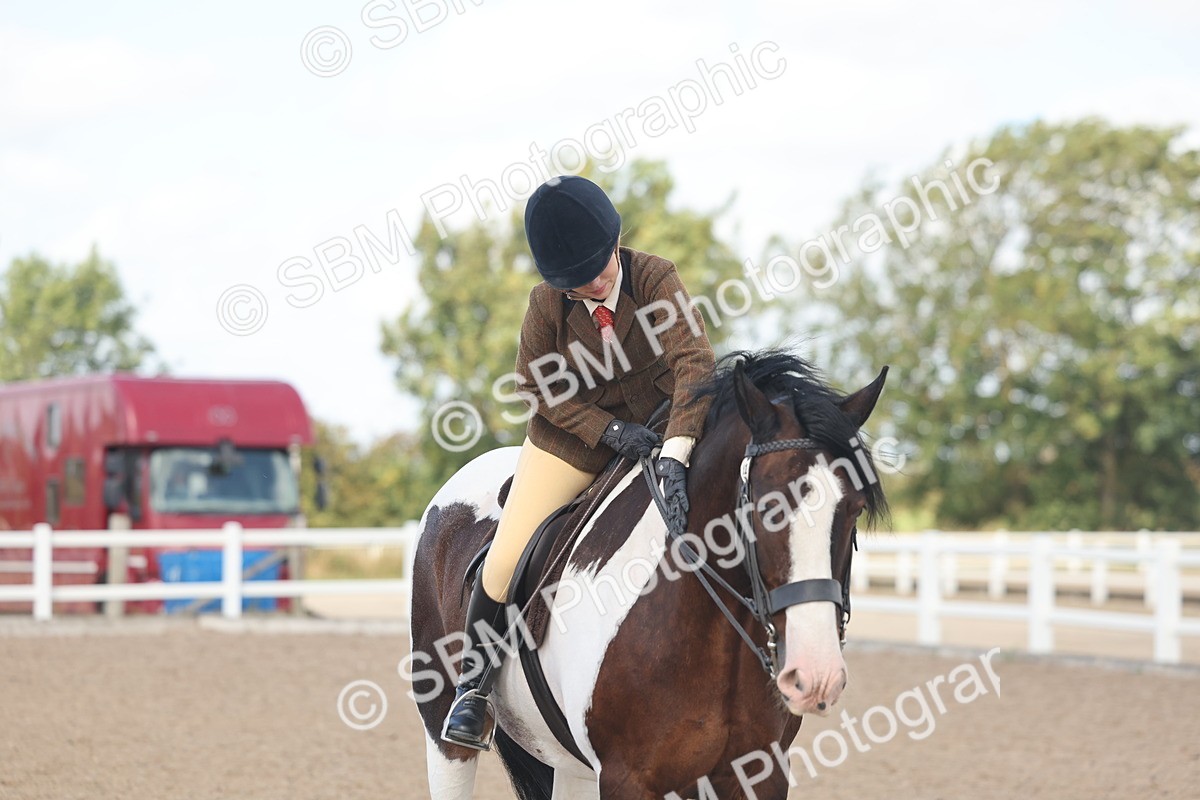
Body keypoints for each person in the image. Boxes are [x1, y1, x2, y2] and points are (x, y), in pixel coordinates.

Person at [441, 175, 717, 749]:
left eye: (599, 269)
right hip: (572, 440)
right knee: (504, 558)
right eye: (578, 281)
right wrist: (609, 430)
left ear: (616, 242)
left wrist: (677, 448)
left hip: (664, 429)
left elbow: (694, 361)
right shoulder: (548, 302)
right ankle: (474, 687)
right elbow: (534, 385)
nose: (593, 284)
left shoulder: (654, 276)